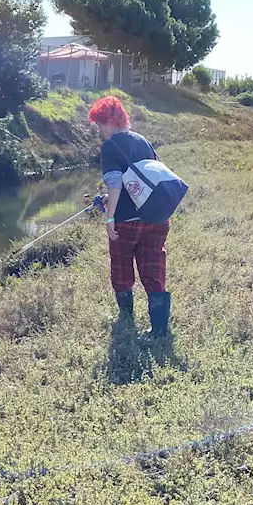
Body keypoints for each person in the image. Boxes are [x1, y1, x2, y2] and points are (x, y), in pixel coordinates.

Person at [90, 95, 172, 338]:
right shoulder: (143, 141)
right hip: (155, 217)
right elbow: (147, 178)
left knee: (122, 269)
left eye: (100, 124)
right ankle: (159, 330)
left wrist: (109, 217)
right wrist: (109, 199)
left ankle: (126, 320)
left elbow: (115, 183)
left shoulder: (110, 146)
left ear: (111, 122)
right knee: (153, 268)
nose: (99, 130)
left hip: (126, 221)